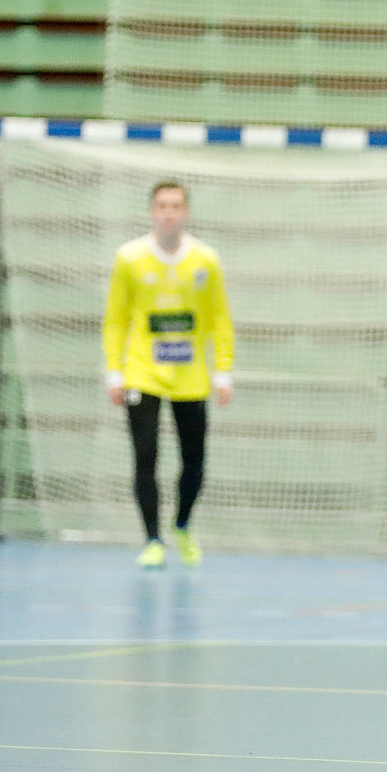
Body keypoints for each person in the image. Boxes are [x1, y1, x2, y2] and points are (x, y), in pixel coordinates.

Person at [102, 181, 235, 570]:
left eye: (176, 205)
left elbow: (220, 320)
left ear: (186, 211)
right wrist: (114, 371)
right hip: (142, 374)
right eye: (161, 205)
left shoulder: (206, 261)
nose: (168, 212)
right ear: (151, 211)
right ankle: (152, 539)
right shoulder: (129, 258)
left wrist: (223, 371)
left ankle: (181, 525)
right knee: (146, 456)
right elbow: (116, 319)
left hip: (191, 376)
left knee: (194, 460)